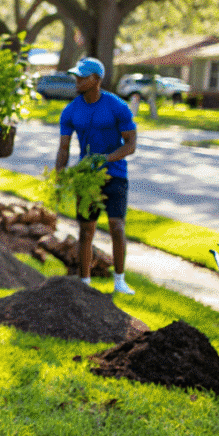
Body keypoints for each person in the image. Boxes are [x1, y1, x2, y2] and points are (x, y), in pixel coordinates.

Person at [54, 57, 138, 295]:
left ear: (97, 79)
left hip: (115, 175)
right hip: (87, 178)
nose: (77, 81)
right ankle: (84, 282)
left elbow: (131, 144)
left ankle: (120, 280)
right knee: (86, 230)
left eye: (83, 77)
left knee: (117, 226)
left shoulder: (117, 106)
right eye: (77, 76)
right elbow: (63, 148)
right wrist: (58, 177)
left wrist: (105, 159)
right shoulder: (71, 111)